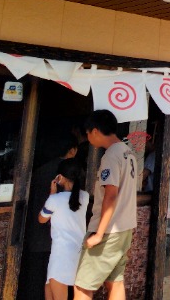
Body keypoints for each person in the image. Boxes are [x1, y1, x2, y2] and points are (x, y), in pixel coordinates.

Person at [74, 110, 137, 300]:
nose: (88, 138)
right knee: (115, 282)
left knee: (82, 285)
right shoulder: (129, 153)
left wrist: (99, 234)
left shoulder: (111, 156)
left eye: (87, 133)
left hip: (108, 231)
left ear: (94, 131)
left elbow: (110, 195)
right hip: (124, 229)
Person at [20, 135, 79, 300]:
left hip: (36, 236)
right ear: (73, 150)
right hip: (56, 241)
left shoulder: (41, 170)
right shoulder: (67, 179)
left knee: (36, 282)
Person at [38, 158, 89, 300]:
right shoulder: (84, 197)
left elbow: (41, 219)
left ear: (61, 177)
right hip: (78, 253)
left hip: (60, 256)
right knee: (50, 289)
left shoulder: (54, 200)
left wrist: (52, 194)